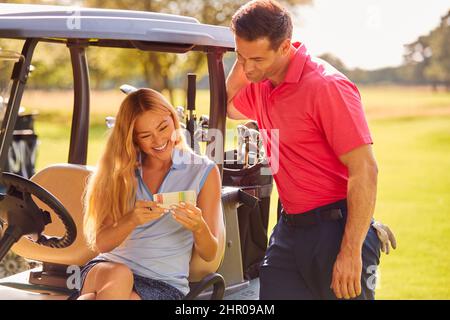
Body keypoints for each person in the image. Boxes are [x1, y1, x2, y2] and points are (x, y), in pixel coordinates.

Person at [227, 0, 393, 300]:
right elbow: (226, 103)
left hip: (337, 230)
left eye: (257, 59)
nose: (248, 68)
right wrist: (244, 58)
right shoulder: (261, 85)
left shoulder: (326, 86)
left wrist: (350, 252)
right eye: (241, 57)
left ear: (285, 47)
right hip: (289, 230)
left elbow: (365, 169)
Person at [73, 88, 222, 300]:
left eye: (163, 127)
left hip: (164, 283)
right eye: (146, 136)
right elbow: (102, 243)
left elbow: (209, 253)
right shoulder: (120, 172)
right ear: (133, 139)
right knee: (120, 275)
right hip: (109, 270)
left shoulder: (203, 171)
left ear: (173, 118)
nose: (159, 140)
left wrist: (199, 227)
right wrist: (131, 219)